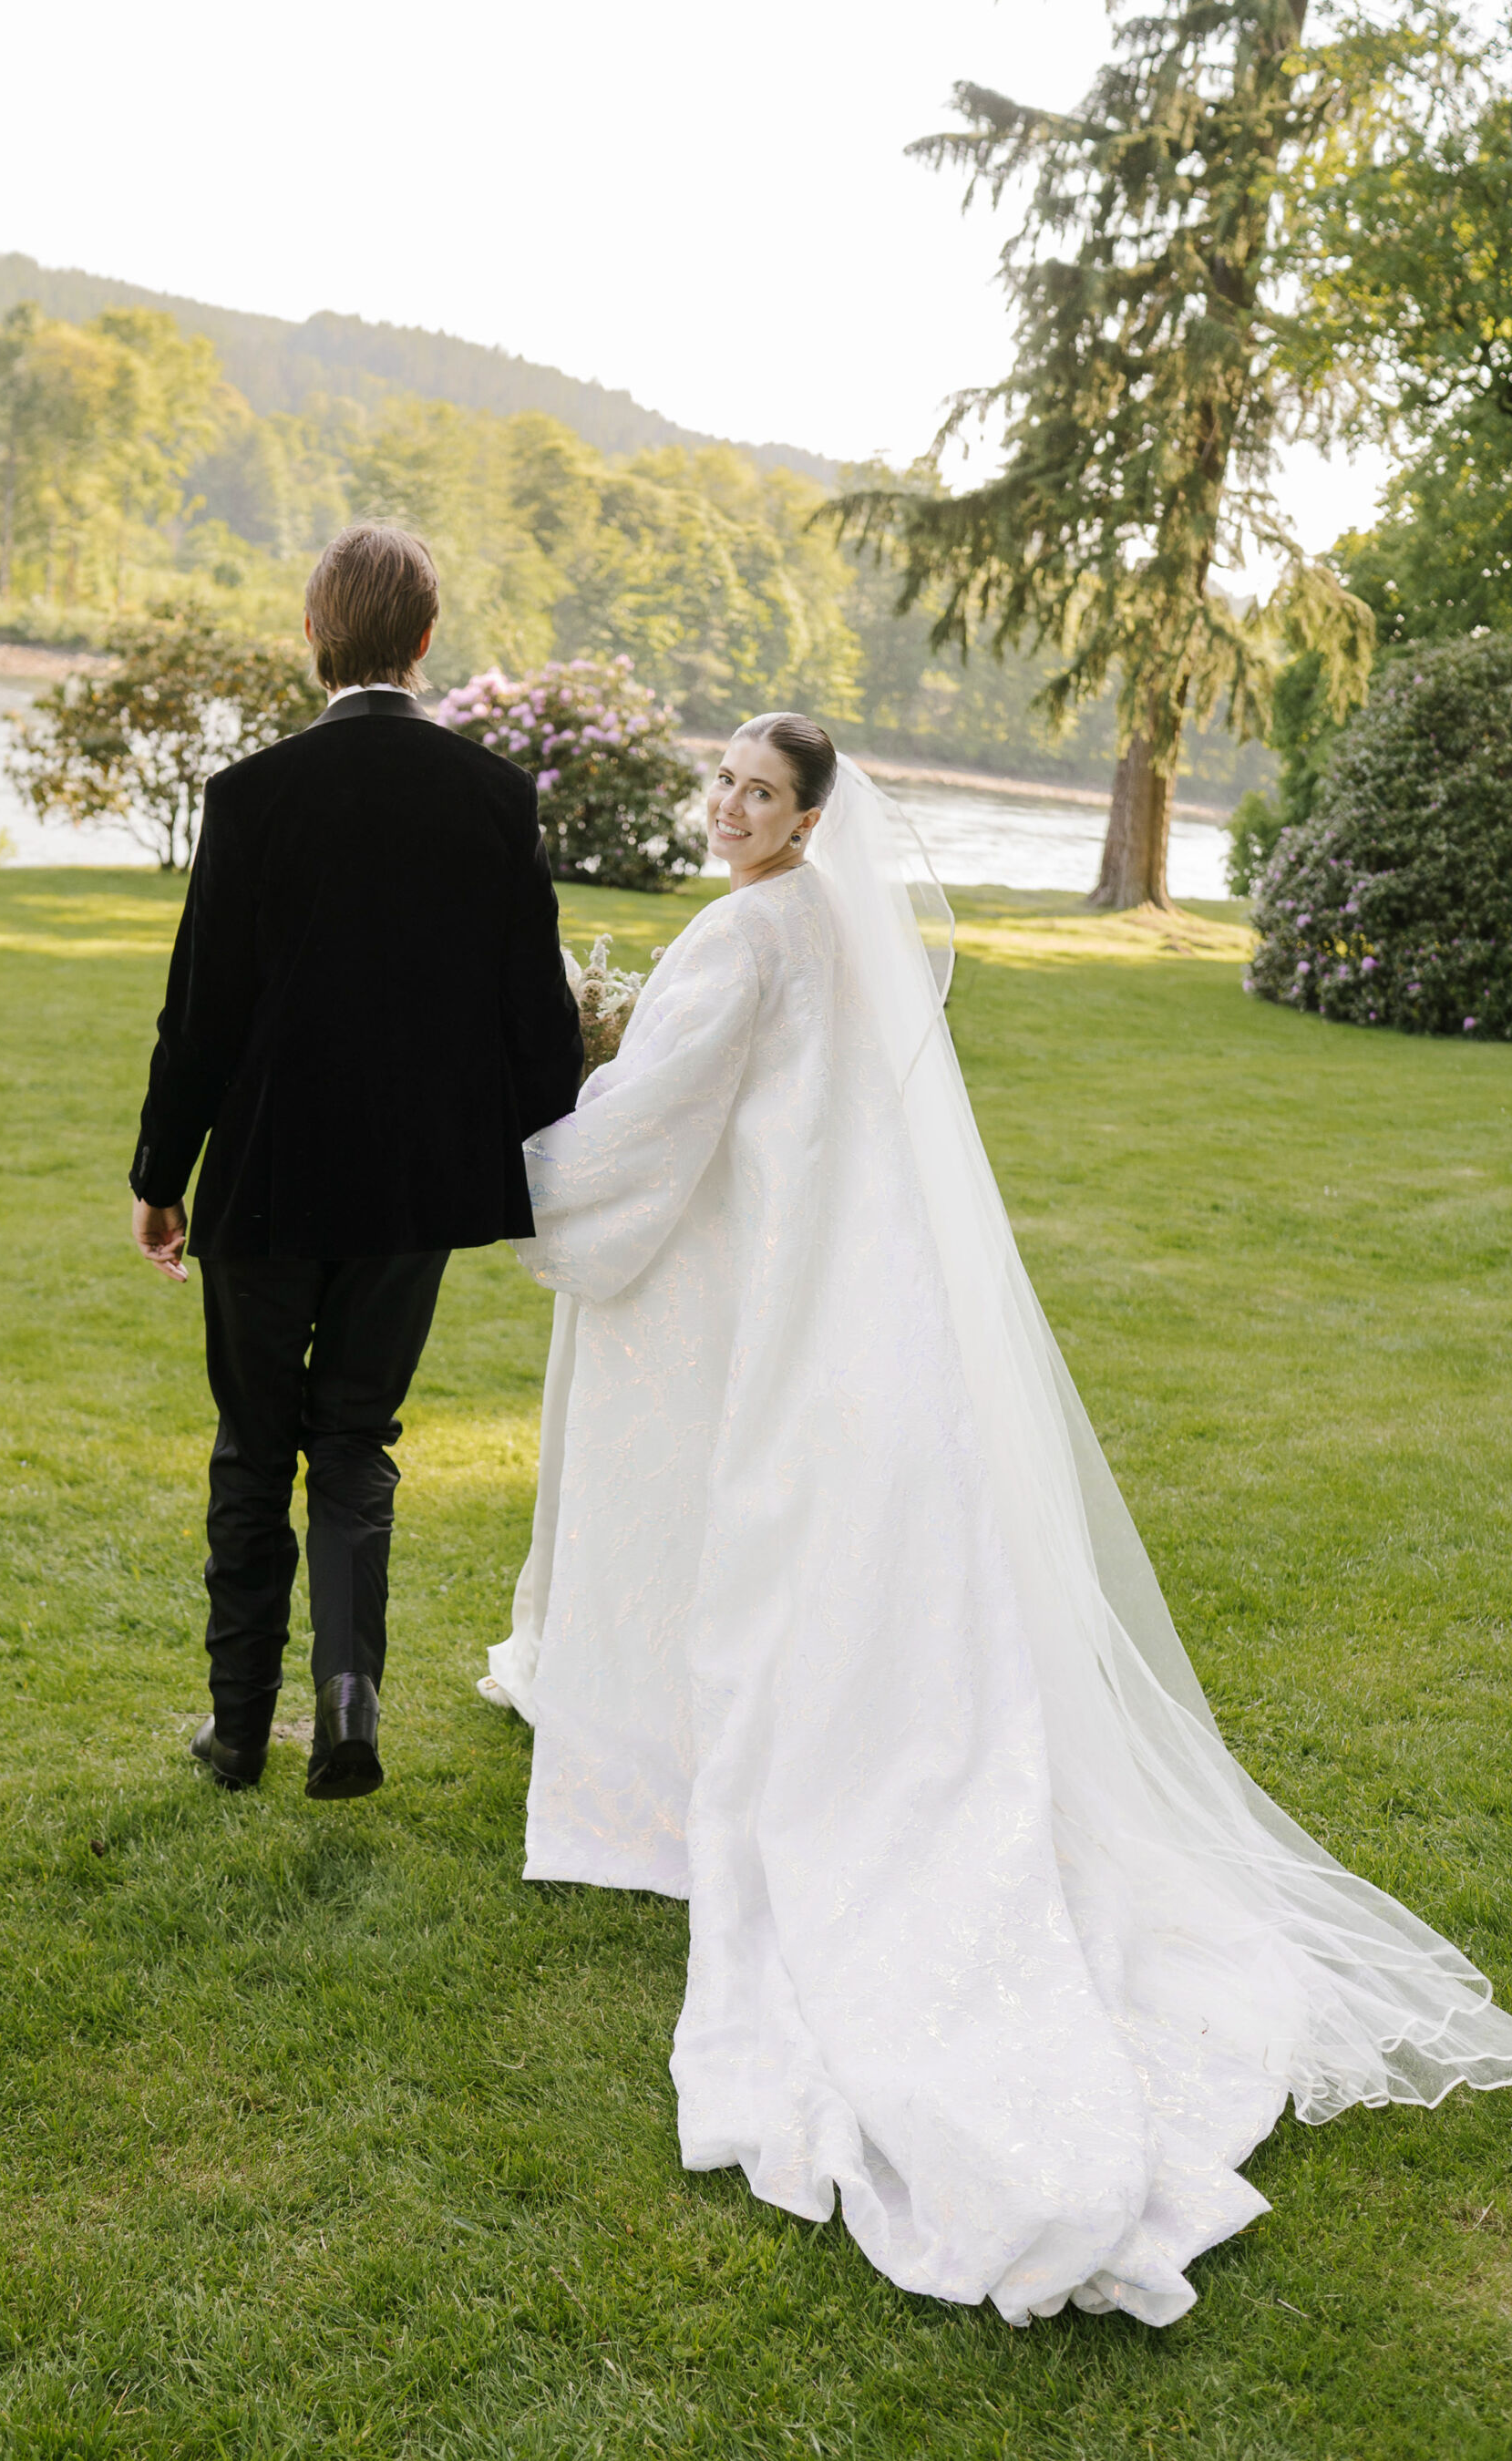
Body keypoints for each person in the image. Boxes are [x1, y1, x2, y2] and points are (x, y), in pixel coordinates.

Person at [480, 712, 1512, 2327]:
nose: (732, 808)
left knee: (735, 1524)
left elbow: (654, 1125)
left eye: (761, 793)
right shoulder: (825, 924)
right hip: (822, 1281)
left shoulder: (752, 931)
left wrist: (520, 1166)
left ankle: (720, 1753)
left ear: (812, 822)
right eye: (727, 784)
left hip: (745, 1281)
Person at [130, 522, 582, 1802]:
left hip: (267, 1178)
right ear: (427, 640)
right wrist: (540, 1146)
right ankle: (346, 1715)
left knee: (251, 1446)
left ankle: (235, 1732)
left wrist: (160, 1175)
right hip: (412, 1190)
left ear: (313, 634)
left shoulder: (251, 794)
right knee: (357, 1443)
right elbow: (534, 1024)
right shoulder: (494, 797)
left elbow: (201, 1014)